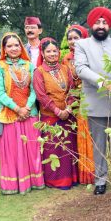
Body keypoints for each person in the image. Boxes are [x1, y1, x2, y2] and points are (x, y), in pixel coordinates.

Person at [75, 6, 111, 195]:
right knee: (98, 146)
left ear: (109, 25)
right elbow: (80, 69)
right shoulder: (82, 45)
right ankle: (100, 181)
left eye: (104, 22)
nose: (100, 25)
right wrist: (103, 82)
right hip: (95, 102)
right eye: (97, 22)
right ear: (91, 24)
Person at [0, 32, 44, 194]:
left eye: (16, 45)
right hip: (10, 115)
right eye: (9, 46)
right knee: (13, 152)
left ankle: (34, 181)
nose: (14, 48)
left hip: (30, 114)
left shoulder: (29, 65)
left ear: (21, 47)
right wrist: (17, 109)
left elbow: (35, 89)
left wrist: (27, 108)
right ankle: (13, 185)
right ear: (4, 49)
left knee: (31, 148)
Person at [34, 38, 78, 189]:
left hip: (68, 115)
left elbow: (72, 90)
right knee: (53, 149)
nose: (52, 54)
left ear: (59, 52)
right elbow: (41, 96)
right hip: (50, 117)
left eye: (54, 51)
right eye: (48, 51)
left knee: (67, 149)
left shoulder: (65, 69)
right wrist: (58, 111)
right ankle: (55, 181)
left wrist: (69, 108)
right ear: (42, 53)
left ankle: (71, 179)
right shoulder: (39, 72)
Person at [61, 24, 95, 185]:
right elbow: (67, 84)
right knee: (77, 138)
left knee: (92, 137)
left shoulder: (91, 55)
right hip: (73, 104)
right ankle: (82, 175)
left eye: (76, 38)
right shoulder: (66, 59)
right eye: (70, 38)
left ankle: (94, 173)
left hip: (91, 101)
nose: (73, 41)